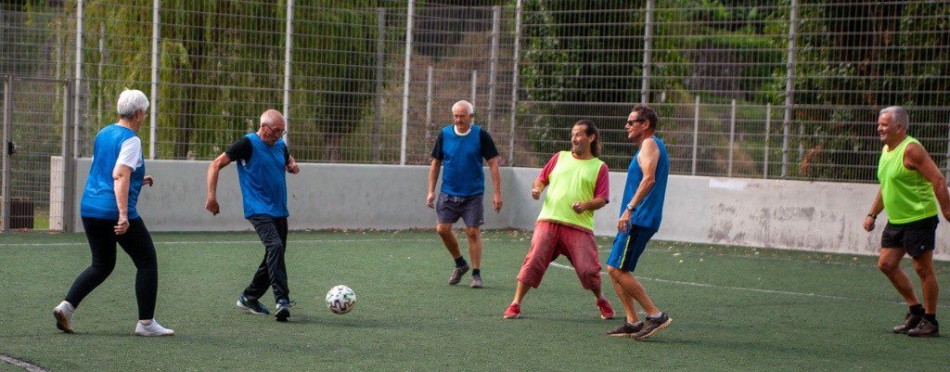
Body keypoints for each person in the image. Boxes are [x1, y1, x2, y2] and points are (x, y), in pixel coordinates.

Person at [52, 89, 174, 336]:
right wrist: (123, 215)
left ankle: (66, 307)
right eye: (145, 114)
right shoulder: (131, 139)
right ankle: (146, 323)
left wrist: (139, 179)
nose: (145, 118)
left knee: (102, 264)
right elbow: (119, 174)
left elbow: (112, 169)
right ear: (138, 114)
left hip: (90, 208)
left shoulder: (104, 133)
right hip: (113, 211)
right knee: (147, 261)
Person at [503, 120, 614, 320]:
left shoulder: (600, 167)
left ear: (591, 137)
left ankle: (600, 299)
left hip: (579, 227)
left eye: (579, 134)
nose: (574, 138)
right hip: (549, 221)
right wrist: (537, 188)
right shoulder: (559, 157)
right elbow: (541, 179)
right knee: (534, 260)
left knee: (589, 271)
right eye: (573, 133)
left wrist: (585, 205)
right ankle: (515, 303)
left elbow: (602, 198)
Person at [206, 109, 300, 322]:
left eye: (282, 132)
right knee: (275, 247)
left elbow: (287, 157)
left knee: (274, 254)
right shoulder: (246, 144)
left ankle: (249, 297)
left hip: (279, 209)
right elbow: (215, 165)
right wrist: (211, 197)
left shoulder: (279, 145)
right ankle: (282, 300)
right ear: (263, 127)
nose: (278, 135)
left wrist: (292, 165)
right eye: (276, 131)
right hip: (258, 209)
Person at [864, 106, 948, 337]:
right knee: (886, 264)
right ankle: (915, 311)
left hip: (919, 218)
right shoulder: (887, 149)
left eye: (884, 124)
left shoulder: (911, 149)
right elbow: (887, 185)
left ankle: (930, 321)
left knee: (923, 269)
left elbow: (938, 180)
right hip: (897, 220)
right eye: (879, 123)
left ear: (899, 127)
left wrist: (948, 212)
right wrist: (872, 213)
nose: (879, 127)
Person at [604, 104, 672, 340]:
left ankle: (656, 315)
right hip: (637, 218)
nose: (627, 126)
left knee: (616, 268)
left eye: (631, 122)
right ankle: (633, 321)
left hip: (640, 218)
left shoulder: (650, 143)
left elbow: (649, 179)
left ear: (645, 125)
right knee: (614, 268)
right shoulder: (647, 146)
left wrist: (629, 209)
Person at [426, 100, 502, 288]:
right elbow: (435, 163)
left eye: (462, 116)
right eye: (456, 116)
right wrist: (431, 191)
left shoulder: (481, 135)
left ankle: (476, 274)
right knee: (442, 229)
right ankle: (460, 264)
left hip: (473, 194)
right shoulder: (444, 134)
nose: (459, 120)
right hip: (448, 192)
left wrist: (497, 193)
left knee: (473, 232)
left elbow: (493, 163)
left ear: (471, 117)